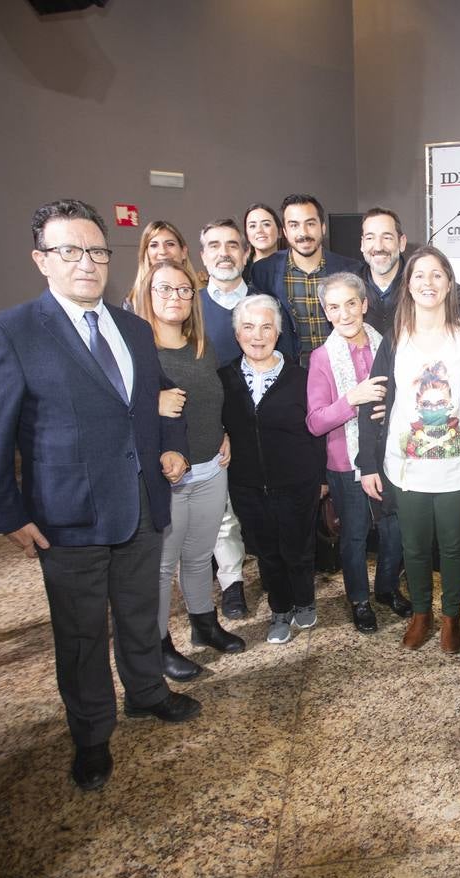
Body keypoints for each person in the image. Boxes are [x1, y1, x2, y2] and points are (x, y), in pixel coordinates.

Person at [0, 199, 200, 793]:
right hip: (66, 515)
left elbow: (161, 395)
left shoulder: (133, 329)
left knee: (141, 614)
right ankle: (92, 733)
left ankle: (148, 693)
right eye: (69, 251)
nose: (87, 263)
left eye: (97, 250)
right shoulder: (10, 332)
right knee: (81, 633)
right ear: (41, 259)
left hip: (143, 502)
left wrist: (171, 444)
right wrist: (6, 513)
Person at [358, 246, 460, 653]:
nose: (428, 283)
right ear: (407, 286)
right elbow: (373, 401)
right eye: (418, 276)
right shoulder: (395, 338)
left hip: (458, 465)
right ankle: (421, 615)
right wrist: (369, 463)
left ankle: (451, 617)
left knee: (452, 546)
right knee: (413, 546)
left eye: (436, 275)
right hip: (405, 464)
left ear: (449, 283)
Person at [132, 257, 244, 681]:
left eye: (183, 289)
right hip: (167, 476)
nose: (175, 297)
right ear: (148, 293)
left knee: (199, 556)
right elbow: (121, 411)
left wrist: (224, 433)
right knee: (163, 565)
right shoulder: (138, 351)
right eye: (164, 288)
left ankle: (204, 623)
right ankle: (160, 646)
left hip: (211, 466)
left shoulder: (202, 346)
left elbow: (212, 400)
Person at [306, 273, 410, 632]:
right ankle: (360, 600)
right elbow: (316, 422)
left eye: (351, 303)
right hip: (343, 462)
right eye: (334, 307)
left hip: (391, 456)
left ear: (364, 304)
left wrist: (389, 406)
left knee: (394, 529)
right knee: (353, 534)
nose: (345, 313)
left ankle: (386, 589)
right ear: (326, 312)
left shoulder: (391, 345)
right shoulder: (322, 358)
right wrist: (353, 399)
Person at [220, 295, 326, 645]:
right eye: (248, 327)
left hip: (298, 482)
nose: (257, 335)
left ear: (278, 333)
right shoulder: (224, 378)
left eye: (267, 327)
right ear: (237, 335)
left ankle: (304, 600)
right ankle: (279, 611)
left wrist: (322, 478)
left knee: (299, 548)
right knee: (267, 552)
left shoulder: (302, 377)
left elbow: (317, 429)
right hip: (247, 485)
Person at [195, 219, 252, 621]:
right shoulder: (189, 306)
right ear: (202, 255)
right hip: (208, 426)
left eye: (233, 245)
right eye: (214, 245)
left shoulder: (266, 303)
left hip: (256, 424)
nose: (224, 253)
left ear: (246, 254)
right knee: (221, 512)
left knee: (252, 505)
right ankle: (232, 586)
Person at [250, 193, 366, 363]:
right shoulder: (264, 271)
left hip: (340, 366)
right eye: (294, 225)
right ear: (285, 231)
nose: (303, 233)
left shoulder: (351, 269)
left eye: (310, 224)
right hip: (289, 370)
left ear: (323, 228)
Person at [358, 207, 410, 335]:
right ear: (362, 244)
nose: (378, 247)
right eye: (370, 238)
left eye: (387, 238)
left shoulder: (420, 283)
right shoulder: (350, 286)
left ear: (401, 243)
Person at [125, 220, 192, 310]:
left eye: (170, 244)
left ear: (183, 252)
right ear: (146, 254)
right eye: (154, 245)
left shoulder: (202, 296)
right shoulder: (132, 302)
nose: (163, 251)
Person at [243, 202, 285, 267]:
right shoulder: (240, 269)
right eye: (252, 226)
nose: (259, 230)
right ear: (247, 235)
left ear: (280, 232)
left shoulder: (295, 267)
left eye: (266, 224)